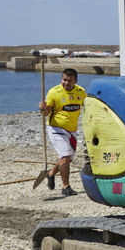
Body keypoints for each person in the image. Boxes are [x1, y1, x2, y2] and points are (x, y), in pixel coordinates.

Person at [40, 67, 86, 198]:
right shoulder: (54, 92)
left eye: (69, 81)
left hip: (72, 130)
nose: (66, 83)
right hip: (56, 128)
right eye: (64, 80)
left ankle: (51, 173)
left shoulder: (81, 92)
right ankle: (66, 187)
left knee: (68, 159)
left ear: (75, 81)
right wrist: (43, 109)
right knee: (65, 157)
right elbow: (46, 113)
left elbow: (87, 107)